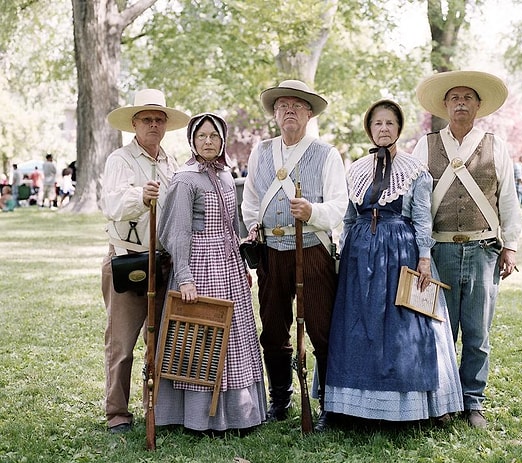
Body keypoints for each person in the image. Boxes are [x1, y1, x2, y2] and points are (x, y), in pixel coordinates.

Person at [324, 99, 463, 424]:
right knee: (357, 328)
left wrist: (424, 258)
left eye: (389, 123)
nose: (383, 129)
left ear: (398, 128)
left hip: (401, 253)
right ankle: (351, 406)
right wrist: (344, 253)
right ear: (369, 130)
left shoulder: (414, 170)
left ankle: (421, 405)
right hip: (360, 257)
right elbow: (348, 217)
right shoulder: (356, 169)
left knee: (407, 326)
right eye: (377, 124)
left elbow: (421, 218)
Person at [412, 71, 522, 429]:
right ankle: (442, 400)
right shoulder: (424, 146)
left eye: (467, 98)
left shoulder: (496, 146)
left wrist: (511, 247)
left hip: (482, 250)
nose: (460, 103)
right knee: (437, 330)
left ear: (478, 106)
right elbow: (413, 202)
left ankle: (473, 402)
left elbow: (509, 200)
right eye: (454, 98)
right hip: (437, 252)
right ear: (445, 105)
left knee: (477, 333)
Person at [241, 79, 348, 431]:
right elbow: (252, 200)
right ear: (274, 113)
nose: (288, 110)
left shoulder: (327, 154)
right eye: (282, 105)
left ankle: (330, 404)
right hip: (272, 250)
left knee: (321, 327)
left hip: (312, 250)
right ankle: (281, 398)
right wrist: (254, 225)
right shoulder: (261, 151)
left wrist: (312, 212)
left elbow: (339, 205)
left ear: (308, 113)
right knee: (272, 328)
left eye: (296, 105)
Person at [155, 113, 267, 432]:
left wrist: (242, 264)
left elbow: (233, 226)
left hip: (228, 264)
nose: (208, 141)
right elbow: (176, 232)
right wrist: (186, 277)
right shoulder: (185, 178)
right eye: (201, 136)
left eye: (214, 137)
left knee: (235, 336)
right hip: (200, 262)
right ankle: (199, 417)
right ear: (192, 140)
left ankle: (239, 412)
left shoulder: (227, 176)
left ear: (222, 141)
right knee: (202, 337)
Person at [101, 88, 190, 434]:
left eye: (158, 119)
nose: (153, 124)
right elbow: (112, 204)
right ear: (134, 124)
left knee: (163, 340)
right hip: (129, 261)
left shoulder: (173, 164)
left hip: (165, 263)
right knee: (122, 343)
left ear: (165, 125)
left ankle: (158, 407)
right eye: (146, 119)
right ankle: (117, 413)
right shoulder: (119, 160)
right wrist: (140, 195)